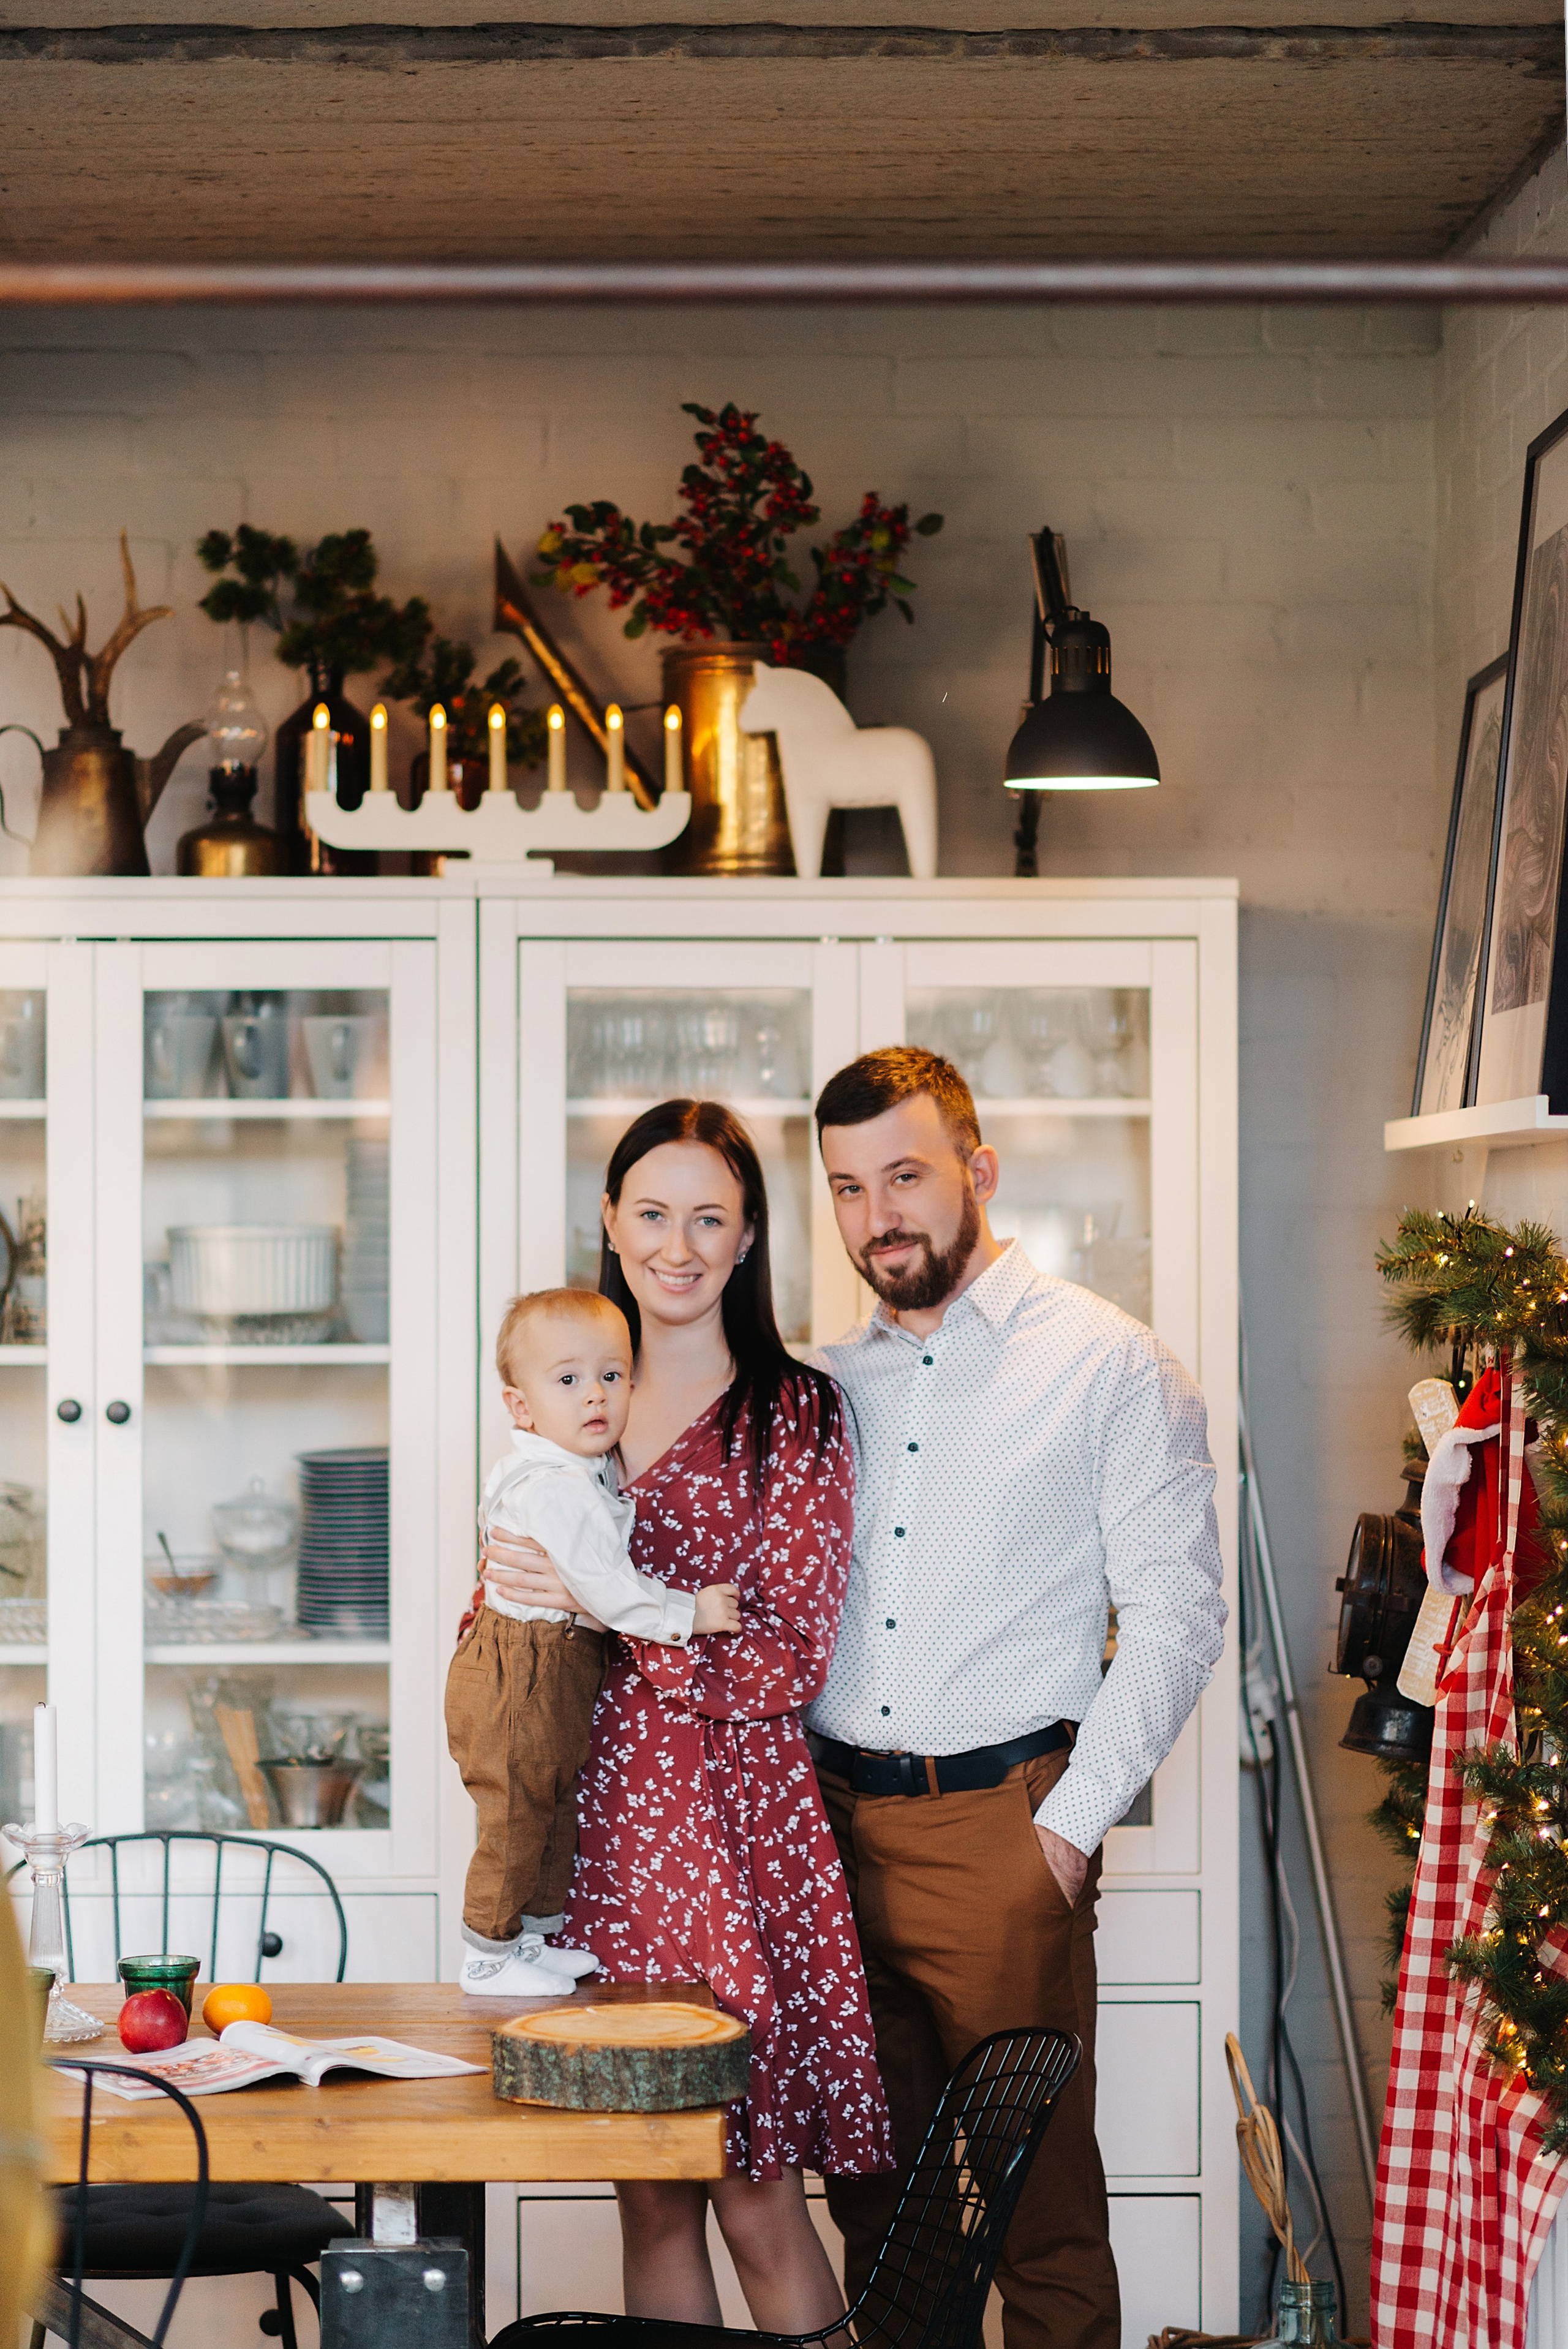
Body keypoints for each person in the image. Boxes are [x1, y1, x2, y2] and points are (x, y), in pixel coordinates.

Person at [808, 1045, 1227, 2349]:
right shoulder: (826, 1382)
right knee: (877, 2210)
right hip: (823, 1831)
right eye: (845, 1186)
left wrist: (1067, 1825)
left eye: (906, 1175)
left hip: (999, 1827)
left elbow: (1177, 1611)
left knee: (1037, 2212)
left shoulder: (1107, 1362)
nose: (877, 1215)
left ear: (977, 1171)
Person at [483, 1099, 894, 2332]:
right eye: (651, 1212)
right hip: (594, 1844)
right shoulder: (565, 1403)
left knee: (756, 2191)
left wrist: (617, 1623)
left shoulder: (797, 1414)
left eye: (708, 1216)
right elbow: (508, 1614)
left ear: (748, 1233)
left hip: (729, 1839)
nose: (678, 1242)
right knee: (651, 2192)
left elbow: (790, 1656)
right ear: (608, 1221)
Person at [446, 1285, 744, 1999]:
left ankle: (534, 1938)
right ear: (522, 1407)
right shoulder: (557, 1484)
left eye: (611, 1376)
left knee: (553, 1802)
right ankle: (486, 1951)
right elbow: (609, 1589)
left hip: (553, 1662)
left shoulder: (581, 1471)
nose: (595, 1397)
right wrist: (690, 1612)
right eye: (569, 1379)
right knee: (517, 1809)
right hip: (523, 1664)